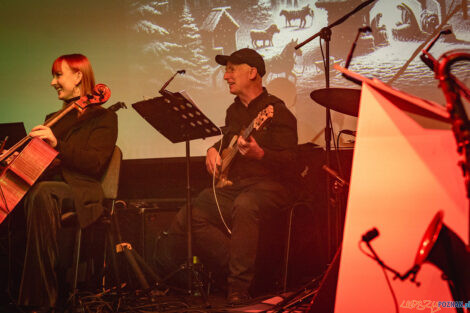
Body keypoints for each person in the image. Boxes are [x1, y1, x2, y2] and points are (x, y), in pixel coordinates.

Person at [157, 48, 298, 305]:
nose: (225, 76)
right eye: (226, 70)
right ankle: (239, 272)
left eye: (232, 69)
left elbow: (292, 161)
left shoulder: (277, 111)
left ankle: (238, 288)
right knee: (195, 211)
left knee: (246, 205)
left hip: (273, 186)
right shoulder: (234, 111)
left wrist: (261, 154)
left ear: (252, 72)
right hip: (240, 186)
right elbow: (228, 137)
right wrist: (213, 149)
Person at [6, 54, 118, 311]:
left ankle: (41, 300)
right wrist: (16, 159)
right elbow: (40, 168)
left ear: (78, 76)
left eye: (58, 75)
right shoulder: (53, 117)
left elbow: (94, 163)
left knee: (43, 194)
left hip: (81, 190)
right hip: (51, 187)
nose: (53, 82)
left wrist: (57, 145)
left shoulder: (104, 117)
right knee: (20, 193)